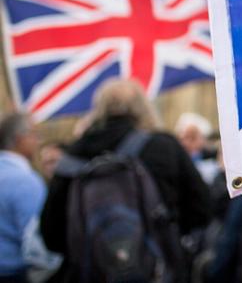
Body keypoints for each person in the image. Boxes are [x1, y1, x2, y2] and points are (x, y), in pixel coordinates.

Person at [39, 79, 212, 282]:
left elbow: (51, 236)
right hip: (158, 270)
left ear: (98, 109)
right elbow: (202, 210)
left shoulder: (71, 156)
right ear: (143, 107)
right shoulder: (163, 146)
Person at [0, 113, 45, 283]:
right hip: (15, 273)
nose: (38, 142)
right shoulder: (25, 181)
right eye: (35, 135)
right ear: (21, 139)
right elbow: (37, 243)